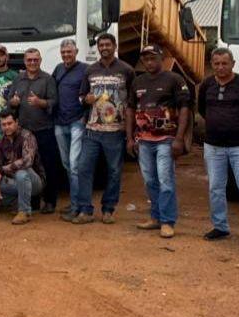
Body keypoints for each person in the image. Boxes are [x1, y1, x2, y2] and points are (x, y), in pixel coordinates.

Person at [197, 48, 239, 247]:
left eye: (224, 63)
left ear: (233, 64)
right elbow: (202, 109)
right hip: (213, 146)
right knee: (216, 188)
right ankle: (220, 226)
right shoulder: (207, 84)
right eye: (216, 63)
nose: (220, 67)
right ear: (212, 64)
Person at [67, 33, 134, 225]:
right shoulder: (90, 70)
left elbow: (132, 101)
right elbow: (81, 96)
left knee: (114, 171)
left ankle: (108, 209)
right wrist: (85, 100)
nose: (104, 47)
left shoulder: (126, 70)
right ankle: (86, 210)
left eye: (107, 44)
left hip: (115, 131)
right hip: (92, 130)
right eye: (101, 45)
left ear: (114, 46)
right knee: (83, 168)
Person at [127, 46, 191, 239]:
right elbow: (130, 109)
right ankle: (155, 217)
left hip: (166, 139)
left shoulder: (174, 80)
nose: (149, 62)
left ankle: (167, 221)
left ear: (161, 58)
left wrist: (179, 139)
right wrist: (130, 138)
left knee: (165, 180)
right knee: (150, 181)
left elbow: (185, 109)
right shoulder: (138, 82)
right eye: (145, 59)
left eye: (153, 58)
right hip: (144, 141)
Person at [6, 48, 60, 214]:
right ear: (24, 61)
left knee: (49, 166)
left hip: (44, 129)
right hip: (24, 132)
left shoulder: (47, 79)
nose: (32, 63)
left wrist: (40, 102)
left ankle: (50, 201)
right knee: (29, 167)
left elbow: (54, 101)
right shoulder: (18, 79)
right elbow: (10, 101)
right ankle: (33, 201)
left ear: (40, 60)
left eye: (35, 60)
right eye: (29, 60)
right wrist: (13, 102)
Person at [0, 110, 45, 225]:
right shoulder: (0, 141)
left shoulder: (27, 136)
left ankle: (25, 212)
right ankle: (17, 202)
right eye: (3, 125)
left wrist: (2, 170)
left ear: (16, 122)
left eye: (9, 123)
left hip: (34, 181)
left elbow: (27, 161)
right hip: (12, 181)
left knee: (21, 173)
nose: (6, 127)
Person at [52, 39, 88, 219]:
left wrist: (85, 116)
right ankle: (75, 202)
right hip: (59, 123)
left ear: (76, 51)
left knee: (74, 165)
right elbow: (51, 90)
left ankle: (77, 206)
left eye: (69, 52)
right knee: (66, 165)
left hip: (76, 122)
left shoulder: (85, 69)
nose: (66, 55)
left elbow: (90, 95)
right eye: (64, 52)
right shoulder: (58, 69)